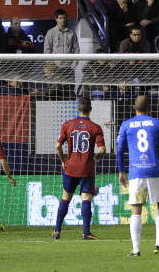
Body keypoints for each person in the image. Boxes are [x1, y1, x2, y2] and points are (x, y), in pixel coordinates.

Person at [117, 95, 159, 257]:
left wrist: (121, 171)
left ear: (134, 107)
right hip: (155, 170)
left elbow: (119, 149)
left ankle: (136, 249)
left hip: (136, 172)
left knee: (136, 210)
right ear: (150, 108)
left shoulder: (126, 124)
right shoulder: (157, 123)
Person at [53, 97, 106, 240]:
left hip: (70, 167)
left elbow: (58, 146)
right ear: (90, 110)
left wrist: (63, 160)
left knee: (65, 198)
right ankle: (86, 232)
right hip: (86, 168)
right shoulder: (95, 128)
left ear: (78, 109)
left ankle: (57, 231)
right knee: (86, 198)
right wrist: (99, 156)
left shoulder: (68, 124)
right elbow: (102, 149)